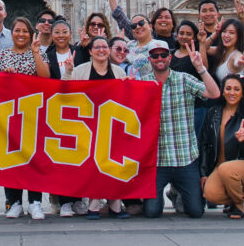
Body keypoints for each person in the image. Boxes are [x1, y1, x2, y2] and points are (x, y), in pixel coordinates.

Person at [136, 39, 220, 218]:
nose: (160, 58)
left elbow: (214, 93)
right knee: (151, 212)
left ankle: (177, 191)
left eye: (163, 55)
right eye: (155, 55)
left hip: (185, 159)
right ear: (149, 59)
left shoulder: (184, 79)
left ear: (170, 58)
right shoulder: (143, 84)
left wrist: (200, 68)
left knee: (196, 211)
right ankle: (165, 193)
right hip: (158, 161)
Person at [0, 16, 51, 219]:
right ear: (11, 32)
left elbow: (45, 78)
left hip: (34, 113)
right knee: (11, 159)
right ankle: (13, 202)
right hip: (9, 116)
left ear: (31, 34)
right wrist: (3, 76)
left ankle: (35, 202)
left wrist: (35, 54)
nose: (21, 34)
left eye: (25, 31)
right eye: (17, 30)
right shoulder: (0, 56)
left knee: (35, 158)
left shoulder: (40, 52)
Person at [67, 35, 129, 220]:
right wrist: (68, 72)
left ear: (109, 50)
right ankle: (95, 203)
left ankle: (114, 202)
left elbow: (128, 98)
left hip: (113, 123)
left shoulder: (119, 72)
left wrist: (131, 87)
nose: (101, 50)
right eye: (97, 47)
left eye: (104, 47)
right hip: (89, 123)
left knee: (113, 164)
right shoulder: (80, 70)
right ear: (90, 51)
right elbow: (65, 92)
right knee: (94, 165)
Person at [200, 74, 244, 219]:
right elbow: (204, 143)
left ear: (242, 92)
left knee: (226, 169)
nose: (231, 93)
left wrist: (243, 140)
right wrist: (203, 173)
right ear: (222, 91)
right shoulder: (213, 112)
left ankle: (239, 204)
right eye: (228, 88)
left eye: (236, 89)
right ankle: (235, 197)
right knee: (210, 194)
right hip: (219, 167)